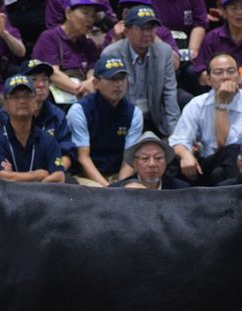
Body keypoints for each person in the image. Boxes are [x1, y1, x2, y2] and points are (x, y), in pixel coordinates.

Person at [169, 53, 242, 187]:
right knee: (174, 159)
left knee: (233, 153)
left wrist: (221, 104)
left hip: (237, 167)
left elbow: (226, 145)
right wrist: (185, 154)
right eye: (218, 72)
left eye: (231, 71)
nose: (225, 77)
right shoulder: (197, 104)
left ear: (239, 76)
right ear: (208, 79)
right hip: (205, 163)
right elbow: (178, 139)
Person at [101, 5, 180, 137]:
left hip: (154, 119)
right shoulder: (111, 53)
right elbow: (108, 98)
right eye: (141, 28)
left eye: (151, 28)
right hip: (123, 121)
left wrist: (175, 134)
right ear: (126, 32)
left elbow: (169, 93)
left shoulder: (164, 52)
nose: (148, 33)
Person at [66, 56, 143, 186]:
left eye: (122, 79)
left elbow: (129, 158)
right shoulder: (79, 111)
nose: (119, 84)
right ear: (96, 83)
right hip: (86, 176)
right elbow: (83, 158)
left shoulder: (134, 113)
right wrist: (108, 188)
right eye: (112, 79)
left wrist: (119, 184)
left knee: (139, 190)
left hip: (118, 175)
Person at [0, 59, 74, 171]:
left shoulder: (57, 116)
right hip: (7, 181)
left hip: (49, 180)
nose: (40, 85)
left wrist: (53, 172)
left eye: (45, 79)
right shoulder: (2, 116)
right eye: (34, 79)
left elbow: (67, 154)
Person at [0, 75, 65, 182]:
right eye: (15, 97)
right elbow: (1, 177)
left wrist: (14, 176)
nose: (22, 101)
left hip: (41, 198)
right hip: (8, 198)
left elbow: (59, 177)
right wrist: (38, 175)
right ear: (5, 105)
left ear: (36, 103)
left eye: (27, 96)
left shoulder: (48, 140)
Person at [194, 0, 242, 102]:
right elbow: (201, 76)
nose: (239, 12)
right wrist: (224, 80)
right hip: (216, 90)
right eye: (234, 8)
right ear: (224, 12)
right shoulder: (211, 38)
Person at [33, 0, 105, 100]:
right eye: (86, 13)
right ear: (68, 13)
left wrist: (90, 81)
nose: (90, 20)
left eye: (93, 15)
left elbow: (92, 69)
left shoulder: (88, 43)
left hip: (83, 95)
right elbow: (52, 72)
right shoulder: (49, 37)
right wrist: (80, 89)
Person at [112, 131, 188, 189]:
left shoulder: (180, 189)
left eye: (158, 158)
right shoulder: (118, 190)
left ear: (165, 162)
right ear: (135, 163)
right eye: (145, 158)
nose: (152, 164)